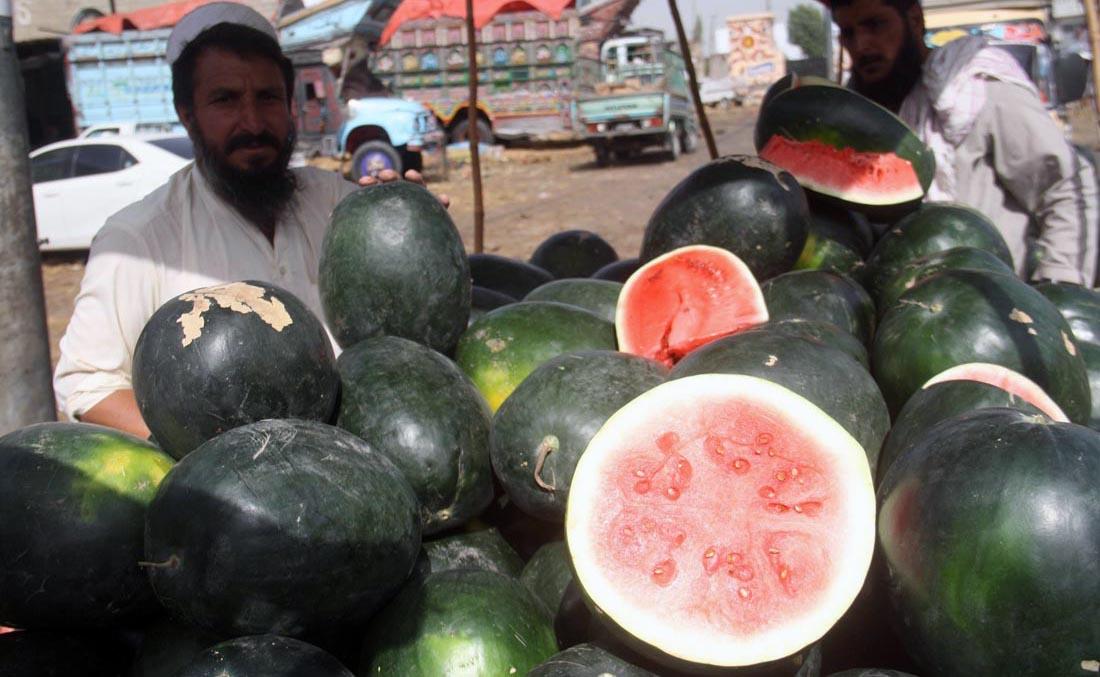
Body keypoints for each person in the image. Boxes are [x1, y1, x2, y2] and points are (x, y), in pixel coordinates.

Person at [53, 3, 443, 438]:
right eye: (225, 100)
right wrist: (197, 459)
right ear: (187, 113)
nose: (253, 122)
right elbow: (86, 383)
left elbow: (409, 308)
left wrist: (415, 223)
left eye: (267, 97)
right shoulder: (140, 238)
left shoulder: (338, 201)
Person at [833, 0, 1098, 286]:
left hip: (997, 307)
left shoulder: (978, 87)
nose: (862, 45)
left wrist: (1060, 284)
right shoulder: (852, 116)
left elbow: (1064, 186)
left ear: (914, 19)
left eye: (875, 24)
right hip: (901, 312)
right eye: (848, 33)